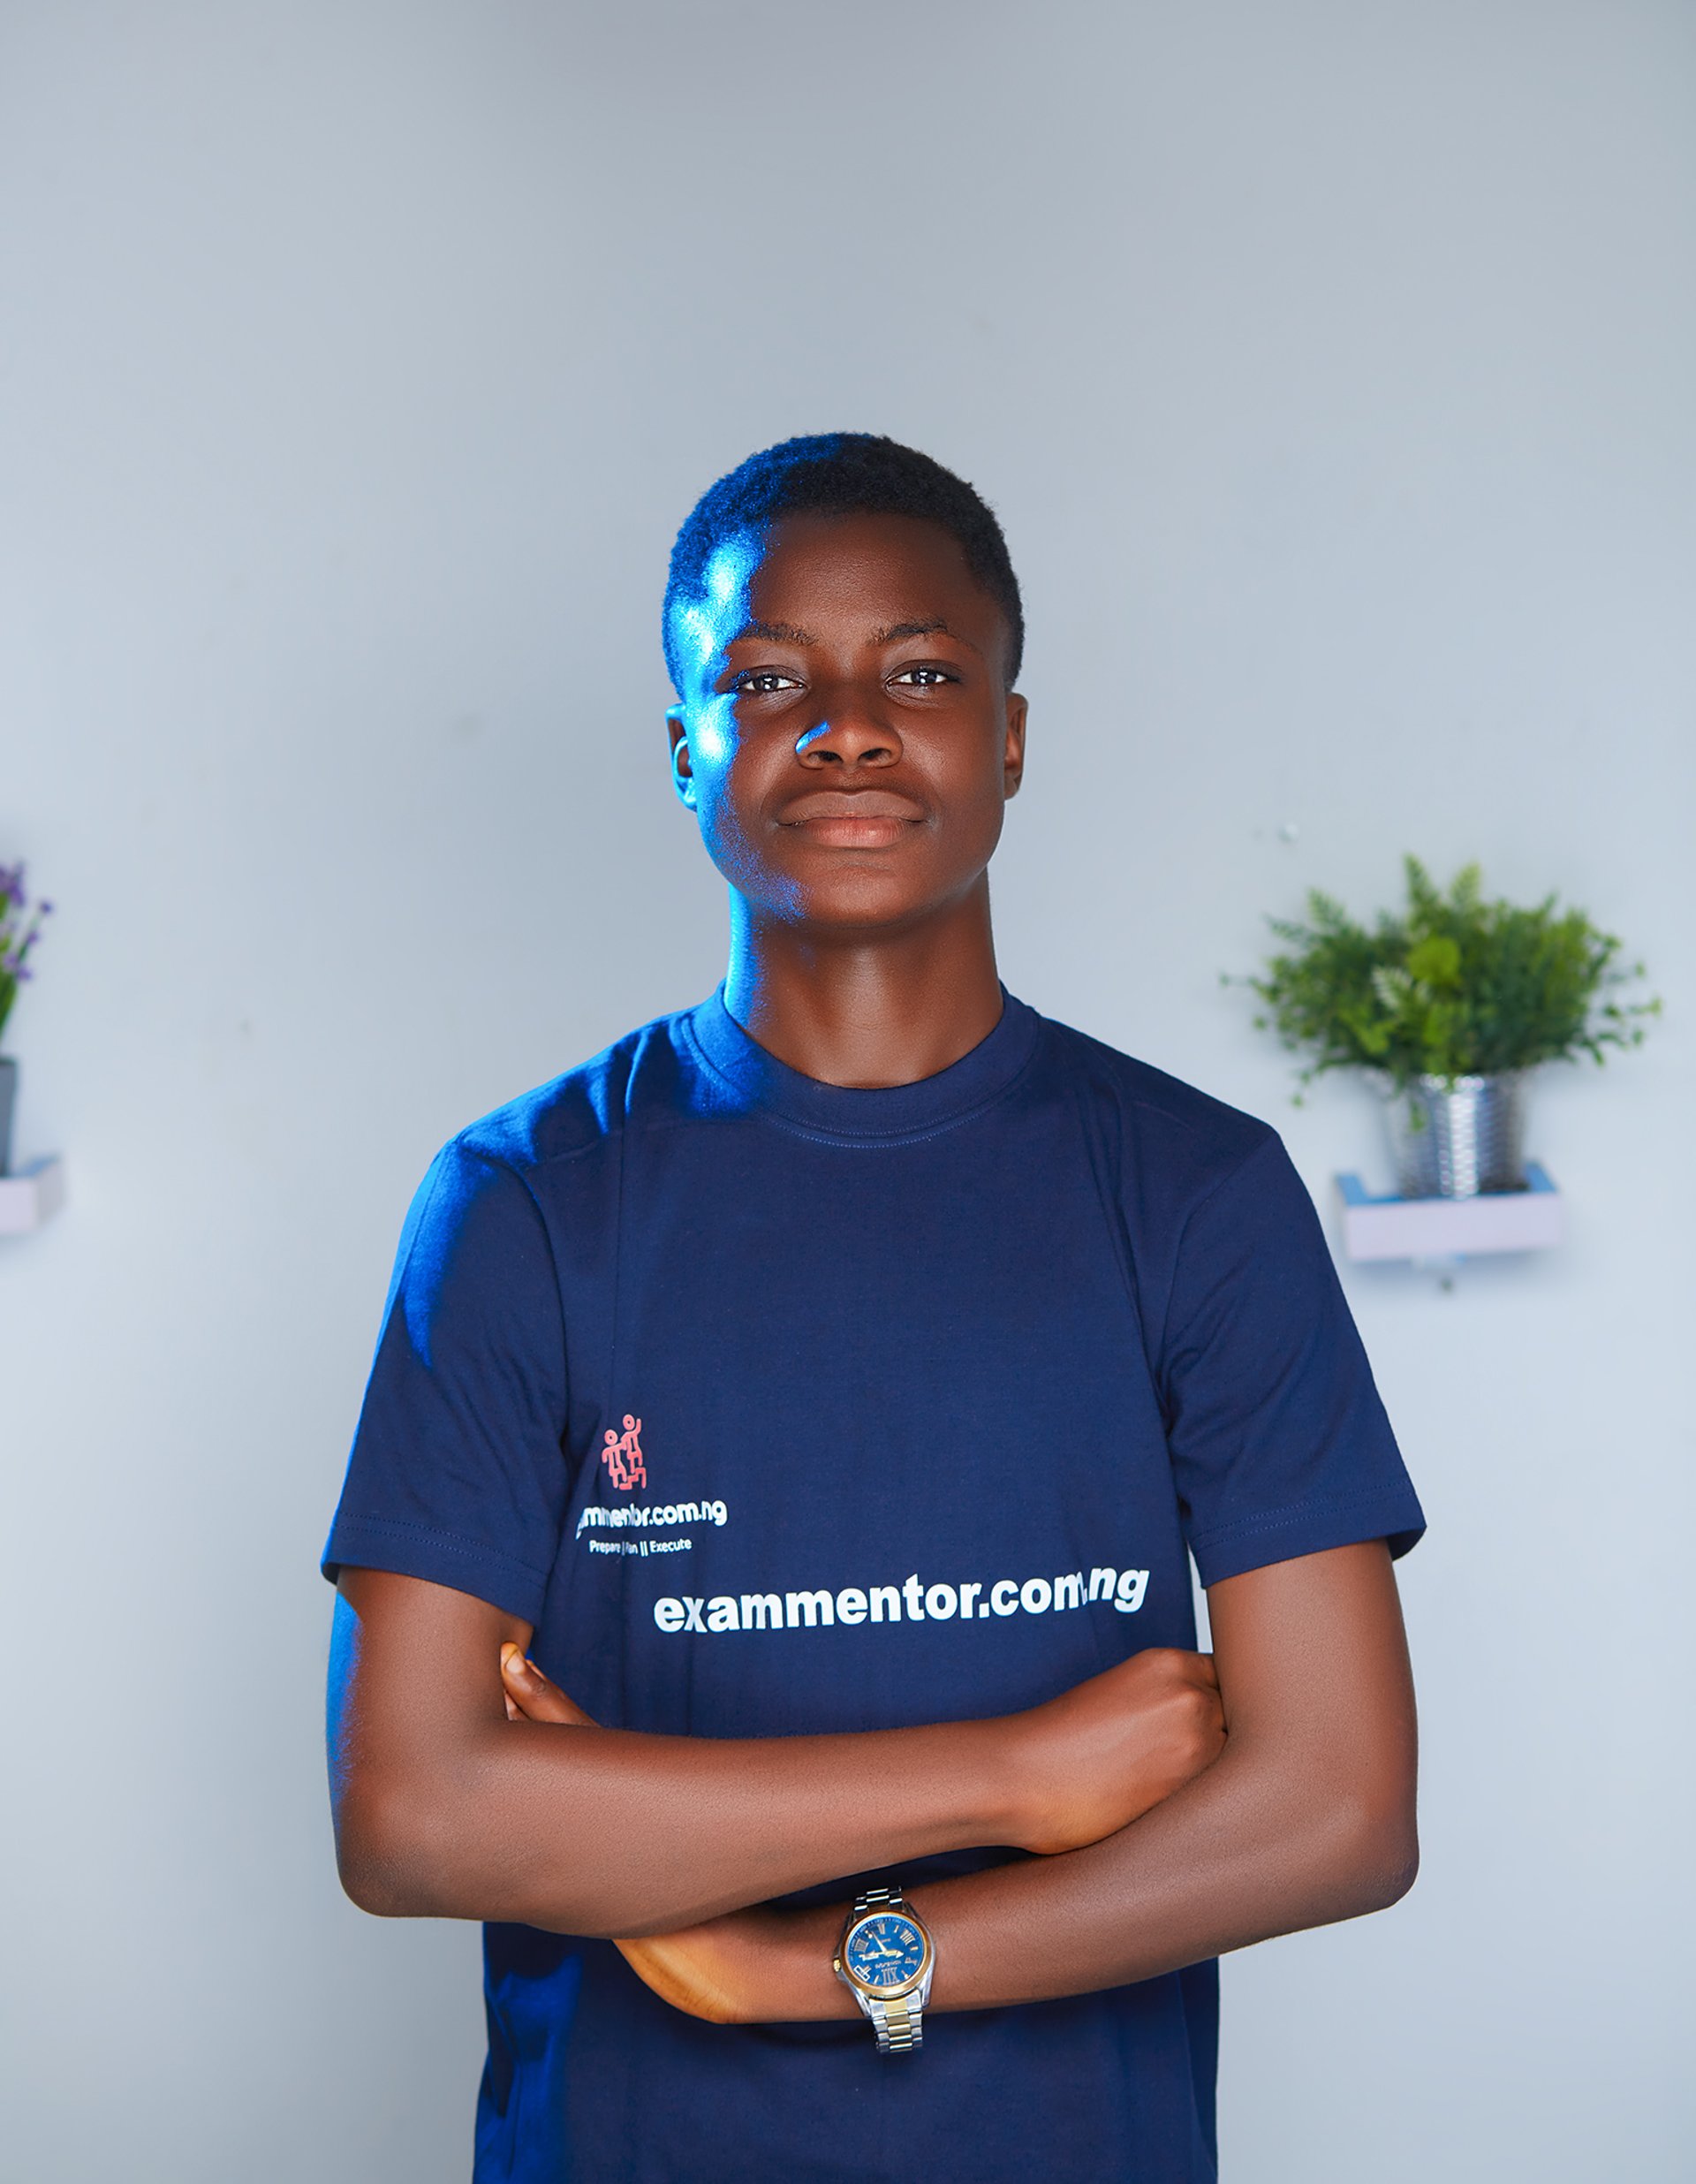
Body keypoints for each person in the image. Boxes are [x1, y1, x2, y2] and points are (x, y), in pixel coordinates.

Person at [323, 433, 1424, 2183]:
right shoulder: (525, 1201)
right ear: (685, 750)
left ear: (1008, 736)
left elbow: (1338, 1809)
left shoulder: (1197, 1194)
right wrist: (1009, 1777)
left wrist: (803, 1973)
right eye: (767, 681)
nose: (847, 724)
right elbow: (412, 1812)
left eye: (919, 671)